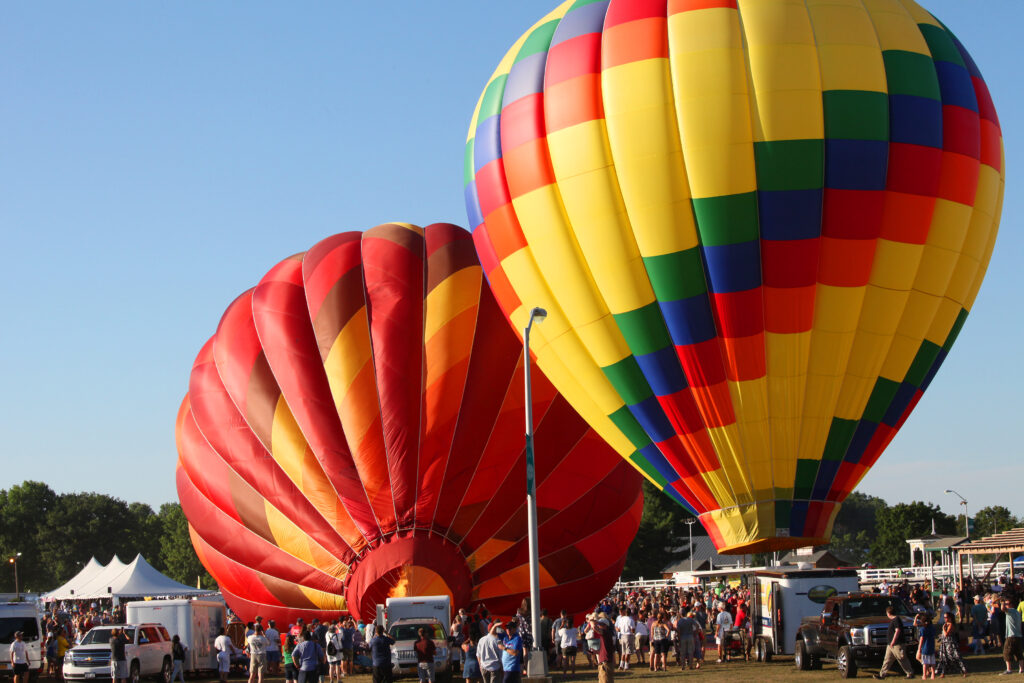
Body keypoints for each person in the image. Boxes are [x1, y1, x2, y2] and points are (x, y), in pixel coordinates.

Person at [875, 605, 914, 680]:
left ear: (888, 613)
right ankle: (882, 674)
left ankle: (910, 673)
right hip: (890, 645)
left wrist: (893, 641)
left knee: (901, 658)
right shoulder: (894, 620)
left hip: (897, 644)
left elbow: (897, 631)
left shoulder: (896, 619)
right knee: (887, 660)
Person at [936, 611, 967, 678]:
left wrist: (943, 629)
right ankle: (943, 673)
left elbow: (947, 634)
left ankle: (963, 671)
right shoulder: (946, 624)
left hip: (950, 644)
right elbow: (944, 634)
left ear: (950, 618)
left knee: (955, 657)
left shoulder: (951, 625)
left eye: (946, 617)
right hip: (944, 644)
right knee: (943, 658)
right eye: (944, 617)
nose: (945, 618)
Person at [1003, 597, 1023, 675]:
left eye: (1007, 604)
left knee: (1007, 652)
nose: (1005, 605)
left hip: (1011, 635)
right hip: (1018, 635)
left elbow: (1002, 608)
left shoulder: (1010, 611)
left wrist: (1002, 602)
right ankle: (1021, 669)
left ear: (1011, 604)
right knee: (1019, 653)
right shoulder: (1017, 612)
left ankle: (1009, 669)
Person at [917, 614, 936, 680]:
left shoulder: (923, 629)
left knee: (925, 663)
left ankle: (924, 675)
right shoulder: (932, 628)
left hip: (925, 647)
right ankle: (933, 674)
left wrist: (919, 649)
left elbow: (921, 639)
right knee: (932, 662)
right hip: (932, 646)